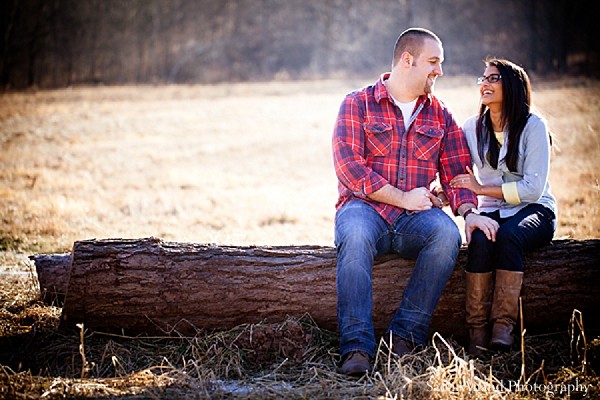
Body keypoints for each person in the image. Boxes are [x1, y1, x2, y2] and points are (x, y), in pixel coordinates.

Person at [332, 27, 487, 377]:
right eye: (433, 62)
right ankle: (356, 347)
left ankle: (403, 338)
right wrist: (401, 197)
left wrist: (469, 212)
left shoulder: (440, 115)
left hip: (414, 220)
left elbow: (456, 172)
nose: (439, 71)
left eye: (441, 63)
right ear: (407, 60)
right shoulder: (357, 103)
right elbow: (350, 169)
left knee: (446, 235)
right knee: (354, 236)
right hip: (364, 208)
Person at [450, 58, 557, 356]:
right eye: (482, 78)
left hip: (535, 209)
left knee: (509, 236)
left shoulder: (534, 126)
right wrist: (445, 193)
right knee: (482, 239)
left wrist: (481, 188)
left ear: (511, 85)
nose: (484, 83)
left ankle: (503, 326)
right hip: (491, 210)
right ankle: (476, 330)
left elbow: (533, 189)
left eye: (493, 78)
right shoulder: (472, 128)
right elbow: (459, 174)